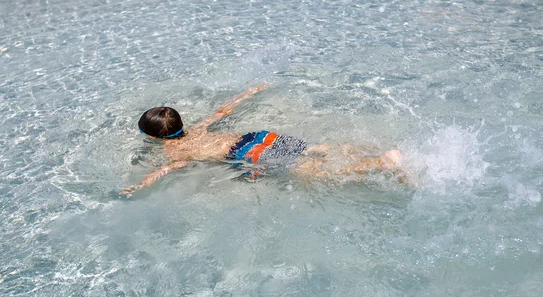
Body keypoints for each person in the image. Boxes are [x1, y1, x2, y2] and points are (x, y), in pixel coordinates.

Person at [120, 84, 407, 197]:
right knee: (314, 149)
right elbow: (222, 112)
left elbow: (167, 170)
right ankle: (382, 153)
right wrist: (249, 92)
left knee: (311, 172)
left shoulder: (173, 150)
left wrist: (139, 185)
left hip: (246, 151)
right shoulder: (197, 129)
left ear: (153, 137)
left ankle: (377, 164)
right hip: (257, 136)